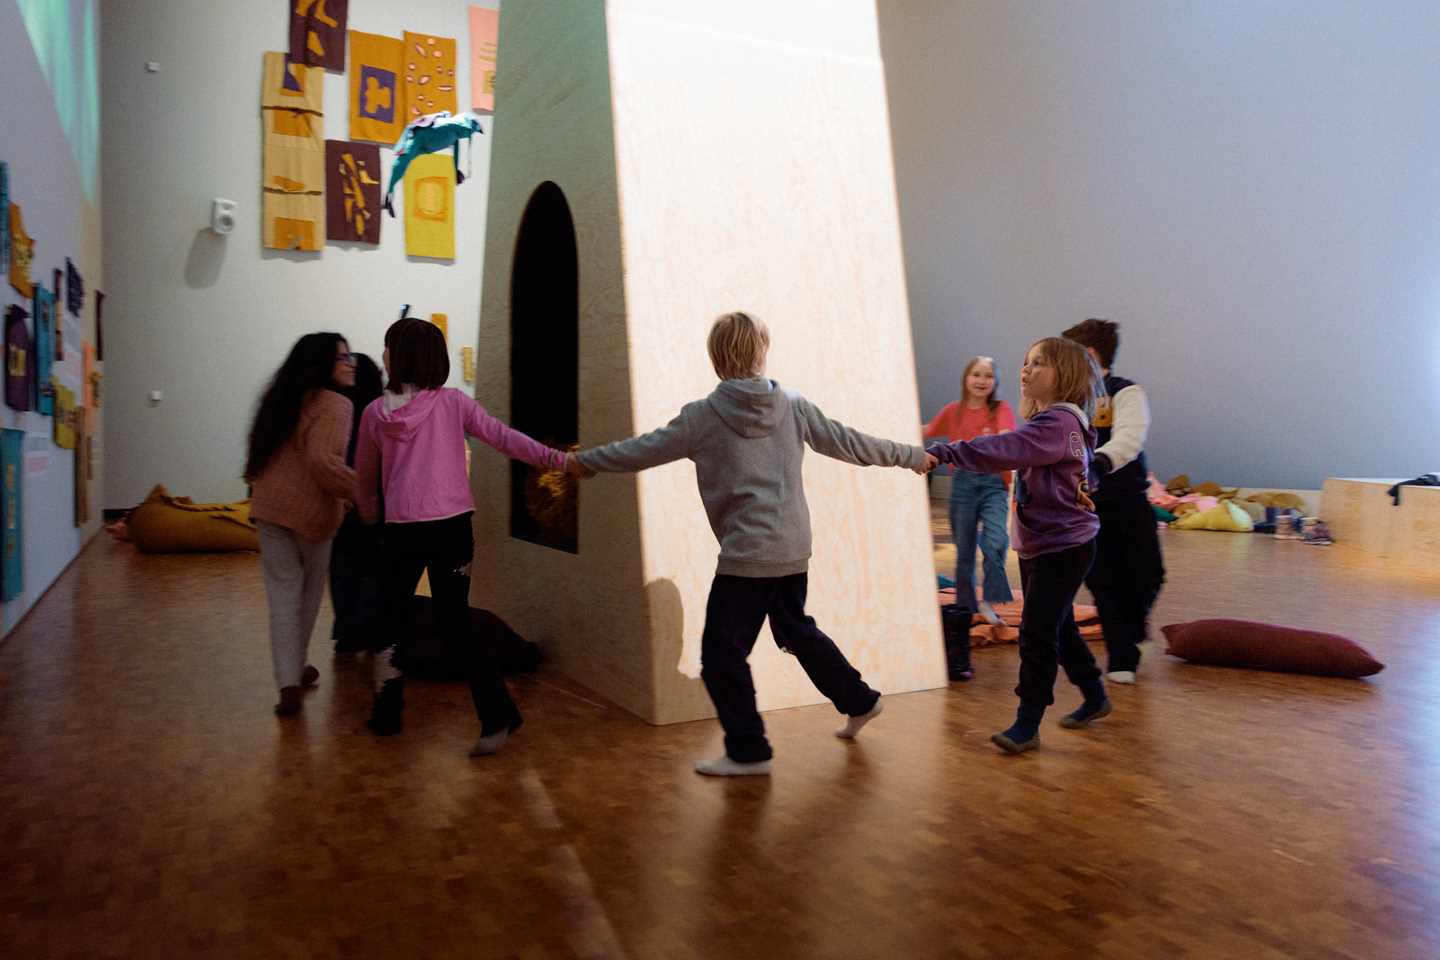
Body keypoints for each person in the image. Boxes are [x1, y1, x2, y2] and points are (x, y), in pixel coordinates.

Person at [573, 311, 934, 776]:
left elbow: (640, 450)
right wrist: (911, 456)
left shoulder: (702, 417)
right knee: (795, 629)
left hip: (748, 555)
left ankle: (749, 751)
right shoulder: (792, 404)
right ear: (762, 352)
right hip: (793, 547)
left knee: (722, 655)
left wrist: (588, 463)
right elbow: (851, 443)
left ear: (716, 358)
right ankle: (859, 700)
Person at [354, 319, 575, 756]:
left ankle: (387, 713)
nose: (382, 356)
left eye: (386, 348)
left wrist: (370, 517)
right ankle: (498, 715)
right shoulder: (454, 404)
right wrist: (559, 460)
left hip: (400, 533)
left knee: (388, 624)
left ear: (400, 357)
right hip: (453, 529)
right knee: (455, 624)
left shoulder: (375, 414)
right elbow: (504, 439)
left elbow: (364, 480)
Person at [926, 337, 1108, 754]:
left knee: (1037, 631)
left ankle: (1028, 723)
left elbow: (1001, 449)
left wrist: (947, 453)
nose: (1025, 370)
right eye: (1025, 363)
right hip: (1048, 545)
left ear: (1064, 374)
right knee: (1058, 624)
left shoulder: (1056, 424)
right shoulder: (1066, 423)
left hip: (1061, 547)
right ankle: (1095, 695)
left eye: (1038, 364)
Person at [246, 333, 358, 716]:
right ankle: (293, 672)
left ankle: (288, 681)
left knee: (282, 597)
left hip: (269, 506)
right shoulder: (337, 404)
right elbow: (323, 462)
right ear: (322, 363)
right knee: (307, 597)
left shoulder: (279, 399)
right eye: (342, 357)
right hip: (311, 514)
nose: (351, 363)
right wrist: (363, 491)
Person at [1062, 318, 1165, 684]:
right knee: (1103, 580)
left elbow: (1130, 436)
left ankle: (1133, 628)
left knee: (1150, 573)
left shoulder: (1125, 391)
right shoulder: (1063, 401)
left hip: (1129, 500)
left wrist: (1100, 462)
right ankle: (1122, 658)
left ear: (1091, 355)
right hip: (1084, 506)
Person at [923, 355, 1017, 626]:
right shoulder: (954, 410)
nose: (981, 380)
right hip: (963, 484)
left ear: (995, 382)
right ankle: (966, 607)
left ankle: (989, 599)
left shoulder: (1000, 408)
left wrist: (998, 439)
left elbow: (1006, 435)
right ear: (966, 378)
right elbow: (928, 429)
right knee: (963, 551)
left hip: (994, 484)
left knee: (996, 540)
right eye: (976, 374)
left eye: (988, 376)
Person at [329, 353, 384, 654]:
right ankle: (369, 627)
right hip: (375, 502)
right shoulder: (380, 413)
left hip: (341, 502)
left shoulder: (336, 411)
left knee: (342, 565)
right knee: (374, 566)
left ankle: (346, 629)